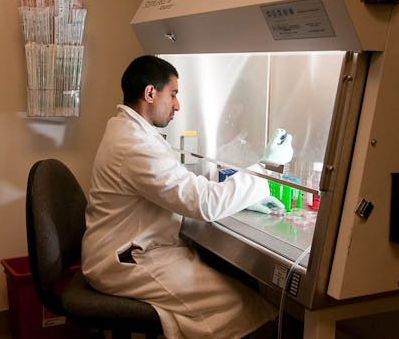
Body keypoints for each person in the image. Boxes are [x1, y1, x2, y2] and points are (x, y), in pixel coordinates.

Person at [81, 55, 289, 339]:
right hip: (127, 260)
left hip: (133, 247)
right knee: (243, 304)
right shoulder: (134, 144)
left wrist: (247, 195)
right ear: (150, 93)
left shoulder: (128, 130)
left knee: (226, 291)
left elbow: (180, 184)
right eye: (174, 94)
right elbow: (203, 203)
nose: (177, 105)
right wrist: (263, 171)